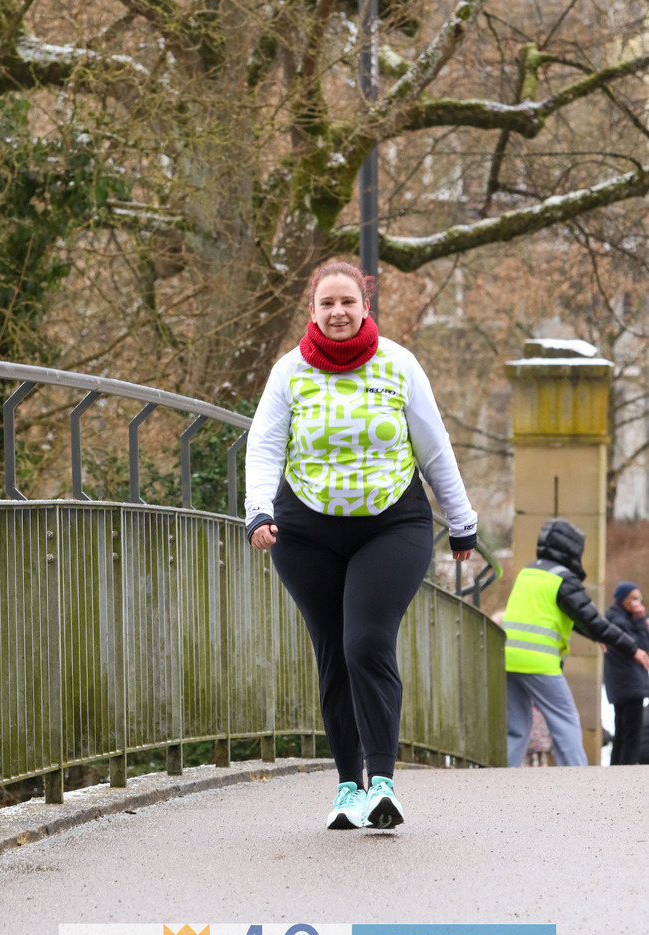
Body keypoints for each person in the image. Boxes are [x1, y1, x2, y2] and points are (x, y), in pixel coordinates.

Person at [244, 262, 477, 830]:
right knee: (332, 650)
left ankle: (383, 783)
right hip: (306, 530)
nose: (338, 312)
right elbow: (264, 446)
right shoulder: (290, 371)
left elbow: (434, 447)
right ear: (313, 310)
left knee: (366, 642)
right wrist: (258, 511)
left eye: (348, 302)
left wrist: (462, 521)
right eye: (327, 303)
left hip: (390, 524)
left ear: (364, 306)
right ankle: (348, 786)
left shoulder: (398, 364)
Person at [503, 519, 649, 767]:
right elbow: (592, 620)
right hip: (539, 660)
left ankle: (501, 778)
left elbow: (562, 615)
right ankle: (579, 780)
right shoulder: (562, 578)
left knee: (517, 726)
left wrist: (596, 636)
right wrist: (632, 648)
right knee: (566, 719)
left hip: (508, 656)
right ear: (572, 549)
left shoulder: (529, 571)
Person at [603, 582, 649, 765]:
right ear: (623, 599)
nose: (637, 602)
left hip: (620, 685)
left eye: (639, 598)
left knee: (622, 732)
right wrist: (640, 620)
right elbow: (641, 647)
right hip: (630, 685)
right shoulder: (622, 621)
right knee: (631, 735)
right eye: (634, 598)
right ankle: (625, 775)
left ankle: (616, 771)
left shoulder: (612, 619)